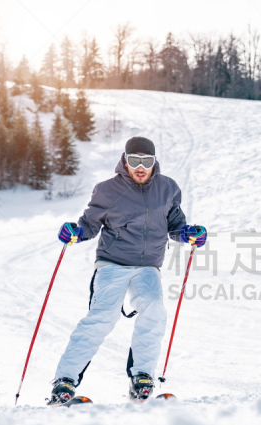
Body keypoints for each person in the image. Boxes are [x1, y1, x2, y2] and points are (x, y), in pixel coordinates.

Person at [48, 136, 206, 405]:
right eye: (134, 160)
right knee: (103, 316)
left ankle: (142, 376)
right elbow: (89, 224)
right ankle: (65, 380)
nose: (140, 166)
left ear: (155, 162)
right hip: (112, 263)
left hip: (148, 267)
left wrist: (189, 234)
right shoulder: (107, 190)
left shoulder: (168, 188)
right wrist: (75, 233)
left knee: (154, 308)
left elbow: (176, 225)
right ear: (125, 160)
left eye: (147, 161)